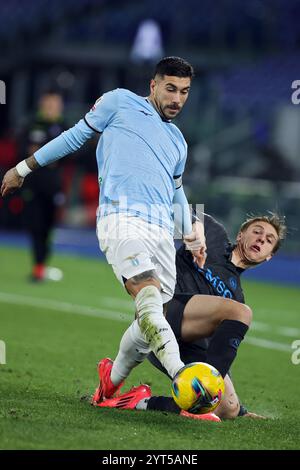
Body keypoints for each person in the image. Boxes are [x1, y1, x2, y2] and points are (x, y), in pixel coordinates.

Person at [1, 57, 206, 400]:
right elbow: (74, 137)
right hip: (120, 217)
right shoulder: (119, 102)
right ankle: (185, 379)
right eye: (171, 89)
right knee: (148, 295)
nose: (177, 99)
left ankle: (110, 382)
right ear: (153, 85)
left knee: (152, 319)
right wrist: (22, 168)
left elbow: (175, 191)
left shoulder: (178, 142)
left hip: (160, 232)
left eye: (184, 92)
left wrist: (189, 233)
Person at [95, 212, 287, 421]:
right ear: (240, 235)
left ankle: (137, 402)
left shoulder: (236, 296)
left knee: (226, 408)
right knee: (242, 312)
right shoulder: (214, 234)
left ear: (269, 256)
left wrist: (237, 407)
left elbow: (218, 351)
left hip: (185, 346)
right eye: (257, 232)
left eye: (269, 240)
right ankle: (203, 391)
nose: (261, 239)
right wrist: (195, 224)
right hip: (163, 311)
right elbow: (181, 208)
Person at [20, 90, 66, 281]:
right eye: (49, 103)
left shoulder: (63, 127)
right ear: (42, 103)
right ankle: (38, 266)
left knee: (48, 227)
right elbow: (24, 149)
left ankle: (42, 263)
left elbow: (71, 153)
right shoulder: (32, 124)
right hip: (33, 185)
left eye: (55, 104)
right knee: (36, 226)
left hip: (54, 186)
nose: (52, 107)